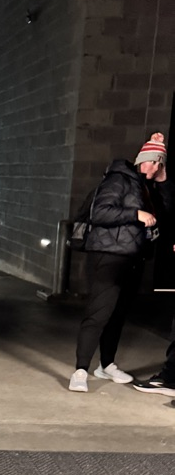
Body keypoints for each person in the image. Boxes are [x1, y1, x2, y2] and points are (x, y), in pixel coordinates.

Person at [69, 132, 169, 392]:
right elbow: (100, 212)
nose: (155, 167)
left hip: (132, 258)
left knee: (118, 314)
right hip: (109, 255)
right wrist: (136, 213)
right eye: (152, 161)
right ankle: (80, 370)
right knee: (99, 313)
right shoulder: (119, 179)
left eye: (160, 162)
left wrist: (163, 179)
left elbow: (167, 210)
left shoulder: (146, 186)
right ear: (140, 160)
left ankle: (106, 365)